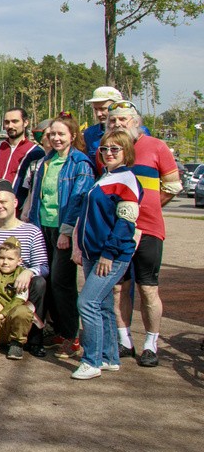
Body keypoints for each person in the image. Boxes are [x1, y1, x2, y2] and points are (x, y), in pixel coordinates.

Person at [106, 100, 180, 367]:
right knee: (118, 288)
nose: (117, 124)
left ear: (135, 121)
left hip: (148, 229)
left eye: (123, 119)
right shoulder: (107, 150)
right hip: (118, 230)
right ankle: (125, 341)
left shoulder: (157, 146)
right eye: (112, 120)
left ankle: (151, 343)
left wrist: (147, 206)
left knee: (148, 288)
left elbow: (173, 186)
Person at [71, 128, 143, 379]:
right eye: (104, 149)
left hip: (110, 255)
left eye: (115, 149)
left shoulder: (127, 180)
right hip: (94, 253)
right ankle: (110, 356)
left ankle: (92, 359)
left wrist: (109, 254)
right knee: (102, 305)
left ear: (127, 152)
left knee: (87, 303)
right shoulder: (105, 177)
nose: (108, 153)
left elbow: (126, 223)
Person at [26, 113, 95, 359]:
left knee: (62, 283)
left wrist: (67, 231)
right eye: (52, 134)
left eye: (61, 134)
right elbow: (37, 198)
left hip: (65, 230)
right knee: (47, 280)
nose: (55, 138)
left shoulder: (80, 163)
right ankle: (60, 331)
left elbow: (78, 200)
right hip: (42, 227)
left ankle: (72, 337)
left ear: (73, 136)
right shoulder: (47, 161)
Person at [0, 179, 50, 357]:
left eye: (3, 202)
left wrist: (29, 272)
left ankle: (34, 339)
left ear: (15, 202)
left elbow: (42, 266)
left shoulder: (32, 231)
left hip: (20, 291)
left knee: (40, 283)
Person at [0, 107, 43, 185]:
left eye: (15, 122)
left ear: (25, 123)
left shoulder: (36, 153)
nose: (10, 126)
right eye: (7, 122)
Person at [82, 85, 124, 165]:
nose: (98, 114)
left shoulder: (136, 133)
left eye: (103, 109)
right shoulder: (90, 134)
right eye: (96, 109)